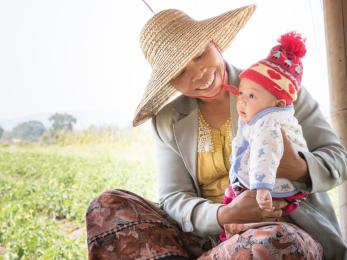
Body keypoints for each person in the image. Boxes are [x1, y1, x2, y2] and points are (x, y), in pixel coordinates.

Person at [86, 5, 347, 259]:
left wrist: (297, 168)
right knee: (106, 207)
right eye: (179, 72)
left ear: (215, 43)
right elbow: (175, 197)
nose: (198, 74)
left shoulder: (276, 88)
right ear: (169, 82)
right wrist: (224, 215)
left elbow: (338, 158)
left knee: (271, 243)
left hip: (280, 230)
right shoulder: (167, 121)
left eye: (199, 54)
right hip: (207, 236)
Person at [224, 32, 309, 215]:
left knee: (232, 197)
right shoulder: (260, 116)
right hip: (272, 186)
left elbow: (266, 152)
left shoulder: (268, 123)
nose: (242, 101)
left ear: (278, 104)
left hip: (268, 186)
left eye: (252, 96)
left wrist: (262, 187)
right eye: (241, 93)